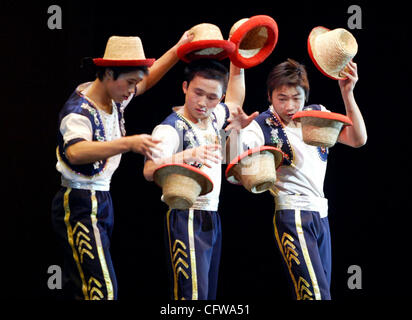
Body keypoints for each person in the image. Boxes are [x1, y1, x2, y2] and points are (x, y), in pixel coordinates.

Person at [51, 32, 192, 300]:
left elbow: (147, 80)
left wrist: (179, 47)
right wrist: (127, 143)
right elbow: (76, 151)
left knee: (85, 286)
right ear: (108, 74)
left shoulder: (115, 97)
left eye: (134, 84)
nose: (133, 90)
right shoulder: (78, 112)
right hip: (80, 201)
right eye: (129, 83)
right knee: (100, 290)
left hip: (102, 200)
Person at [236, 58, 367, 299]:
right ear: (269, 96)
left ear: (305, 95)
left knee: (319, 292)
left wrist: (347, 93)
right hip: (292, 214)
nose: (289, 105)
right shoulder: (261, 125)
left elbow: (358, 139)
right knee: (314, 295)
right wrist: (235, 131)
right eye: (281, 98)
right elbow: (235, 162)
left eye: (296, 98)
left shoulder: (317, 114)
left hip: (321, 214)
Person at [143, 59, 257, 300]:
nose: (204, 103)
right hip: (186, 215)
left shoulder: (216, 116)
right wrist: (185, 155)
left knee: (207, 293)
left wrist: (241, 57)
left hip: (211, 215)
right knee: (192, 295)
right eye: (198, 93)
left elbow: (235, 100)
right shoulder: (170, 129)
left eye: (213, 98)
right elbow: (149, 170)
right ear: (185, 87)